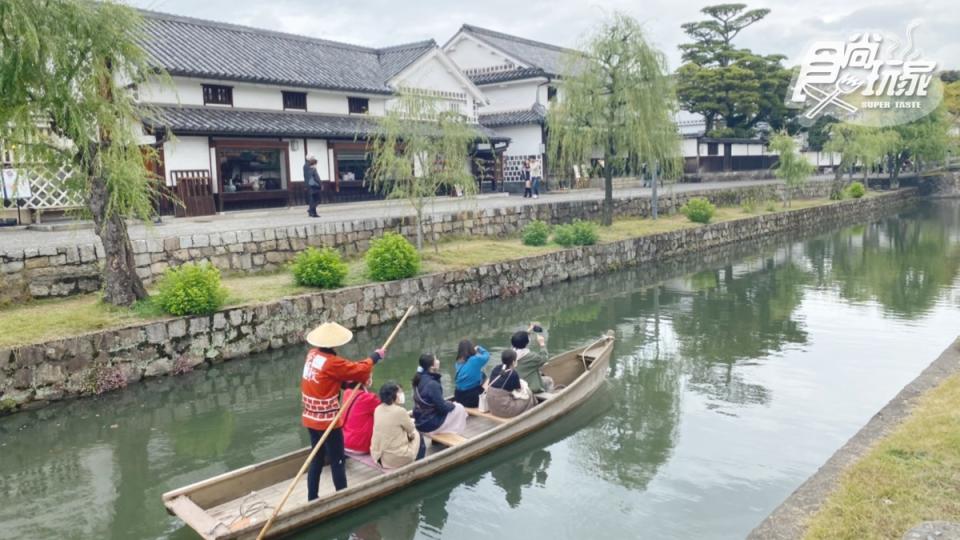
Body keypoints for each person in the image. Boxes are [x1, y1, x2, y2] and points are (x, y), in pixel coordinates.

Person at [301, 321, 386, 500]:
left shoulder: (312, 355)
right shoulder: (332, 362)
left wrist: (351, 382)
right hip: (327, 421)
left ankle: (312, 498)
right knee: (337, 460)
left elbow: (330, 380)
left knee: (316, 458)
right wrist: (375, 357)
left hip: (310, 416)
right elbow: (358, 369)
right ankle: (343, 497)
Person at [371, 381, 426, 468]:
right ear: (393, 395)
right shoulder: (399, 411)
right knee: (417, 433)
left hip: (378, 456)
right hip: (393, 459)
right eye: (399, 392)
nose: (401, 394)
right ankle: (418, 463)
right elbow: (411, 428)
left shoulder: (377, 409)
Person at [413, 353, 468, 435]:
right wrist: (452, 405)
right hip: (428, 424)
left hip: (420, 421)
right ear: (432, 367)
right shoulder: (432, 384)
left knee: (451, 406)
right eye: (436, 360)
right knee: (459, 408)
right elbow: (442, 408)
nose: (438, 361)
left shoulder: (419, 378)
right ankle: (455, 434)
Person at [486, 349, 537, 418]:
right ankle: (534, 410)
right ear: (513, 362)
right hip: (505, 411)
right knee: (529, 394)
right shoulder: (512, 374)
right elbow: (518, 389)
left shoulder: (496, 368)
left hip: (492, 408)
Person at [342, 377, 380, 454]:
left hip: (345, 442)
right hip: (360, 446)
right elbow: (386, 410)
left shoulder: (347, 392)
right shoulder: (369, 398)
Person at [512, 324, 554, 394]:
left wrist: (529, 329)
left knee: (540, 373)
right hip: (528, 387)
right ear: (527, 342)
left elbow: (519, 339)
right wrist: (542, 344)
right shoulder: (531, 357)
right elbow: (544, 359)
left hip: (516, 384)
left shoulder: (511, 353)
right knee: (549, 380)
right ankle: (547, 399)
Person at [453, 339, 490, 408]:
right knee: (486, 379)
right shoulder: (475, 359)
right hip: (471, 400)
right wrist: (479, 348)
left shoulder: (458, 362)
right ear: (471, 348)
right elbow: (487, 355)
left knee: (482, 374)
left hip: (458, 397)